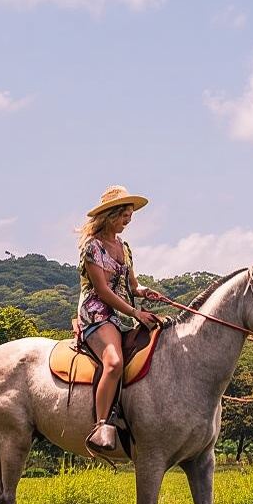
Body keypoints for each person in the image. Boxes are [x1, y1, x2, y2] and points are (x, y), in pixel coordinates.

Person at [77, 186, 162, 454]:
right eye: (125, 215)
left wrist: (144, 292)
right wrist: (136, 313)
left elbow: (133, 285)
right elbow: (102, 291)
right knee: (114, 362)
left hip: (122, 314)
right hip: (98, 314)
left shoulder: (124, 248)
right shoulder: (92, 248)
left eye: (130, 216)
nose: (128, 220)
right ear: (111, 215)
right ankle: (101, 425)